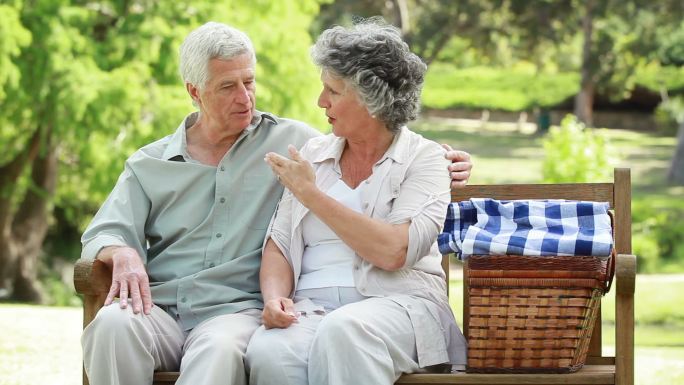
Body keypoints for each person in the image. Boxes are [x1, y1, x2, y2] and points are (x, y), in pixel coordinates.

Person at [80, 21, 471, 385]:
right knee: (115, 324)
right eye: (227, 86)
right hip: (167, 307)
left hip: (239, 315)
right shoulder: (152, 163)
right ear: (194, 92)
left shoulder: (292, 143)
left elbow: (377, 138)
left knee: (229, 348)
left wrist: (444, 161)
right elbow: (106, 230)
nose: (244, 97)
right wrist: (122, 252)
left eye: (249, 82)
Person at [245, 20, 467, 385]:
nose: (321, 102)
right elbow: (280, 244)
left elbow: (394, 250)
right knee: (269, 351)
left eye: (333, 91)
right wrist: (274, 298)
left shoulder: (423, 159)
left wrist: (312, 195)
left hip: (400, 306)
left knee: (344, 331)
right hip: (312, 308)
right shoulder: (314, 154)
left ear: (371, 99)